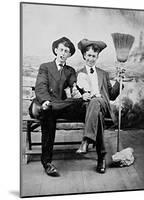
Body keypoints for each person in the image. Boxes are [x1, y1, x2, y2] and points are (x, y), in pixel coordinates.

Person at [34, 37, 84, 177]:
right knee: (48, 114)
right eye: (61, 50)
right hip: (47, 106)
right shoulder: (45, 67)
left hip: (62, 106)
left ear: (69, 55)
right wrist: (45, 101)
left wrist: (75, 90)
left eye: (66, 51)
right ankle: (47, 163)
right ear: (56, 50)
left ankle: (98, 152)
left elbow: (74, 86)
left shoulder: (70, 70)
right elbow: (41, 86)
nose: (63, 53)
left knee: (84, 105)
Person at [75, 39, 122, 174]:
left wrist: (119, 81)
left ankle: (86, 140)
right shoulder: (79, 73)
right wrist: (82, 95)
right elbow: (77, 93)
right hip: (88, 108)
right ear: (84, 55)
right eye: (88, 55)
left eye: (93, 56)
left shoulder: (103, 74)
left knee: (97, 100)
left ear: (97, 57)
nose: (91, 58)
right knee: (98, 113)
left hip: (103, 104)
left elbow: (112, 96)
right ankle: (101, 157)